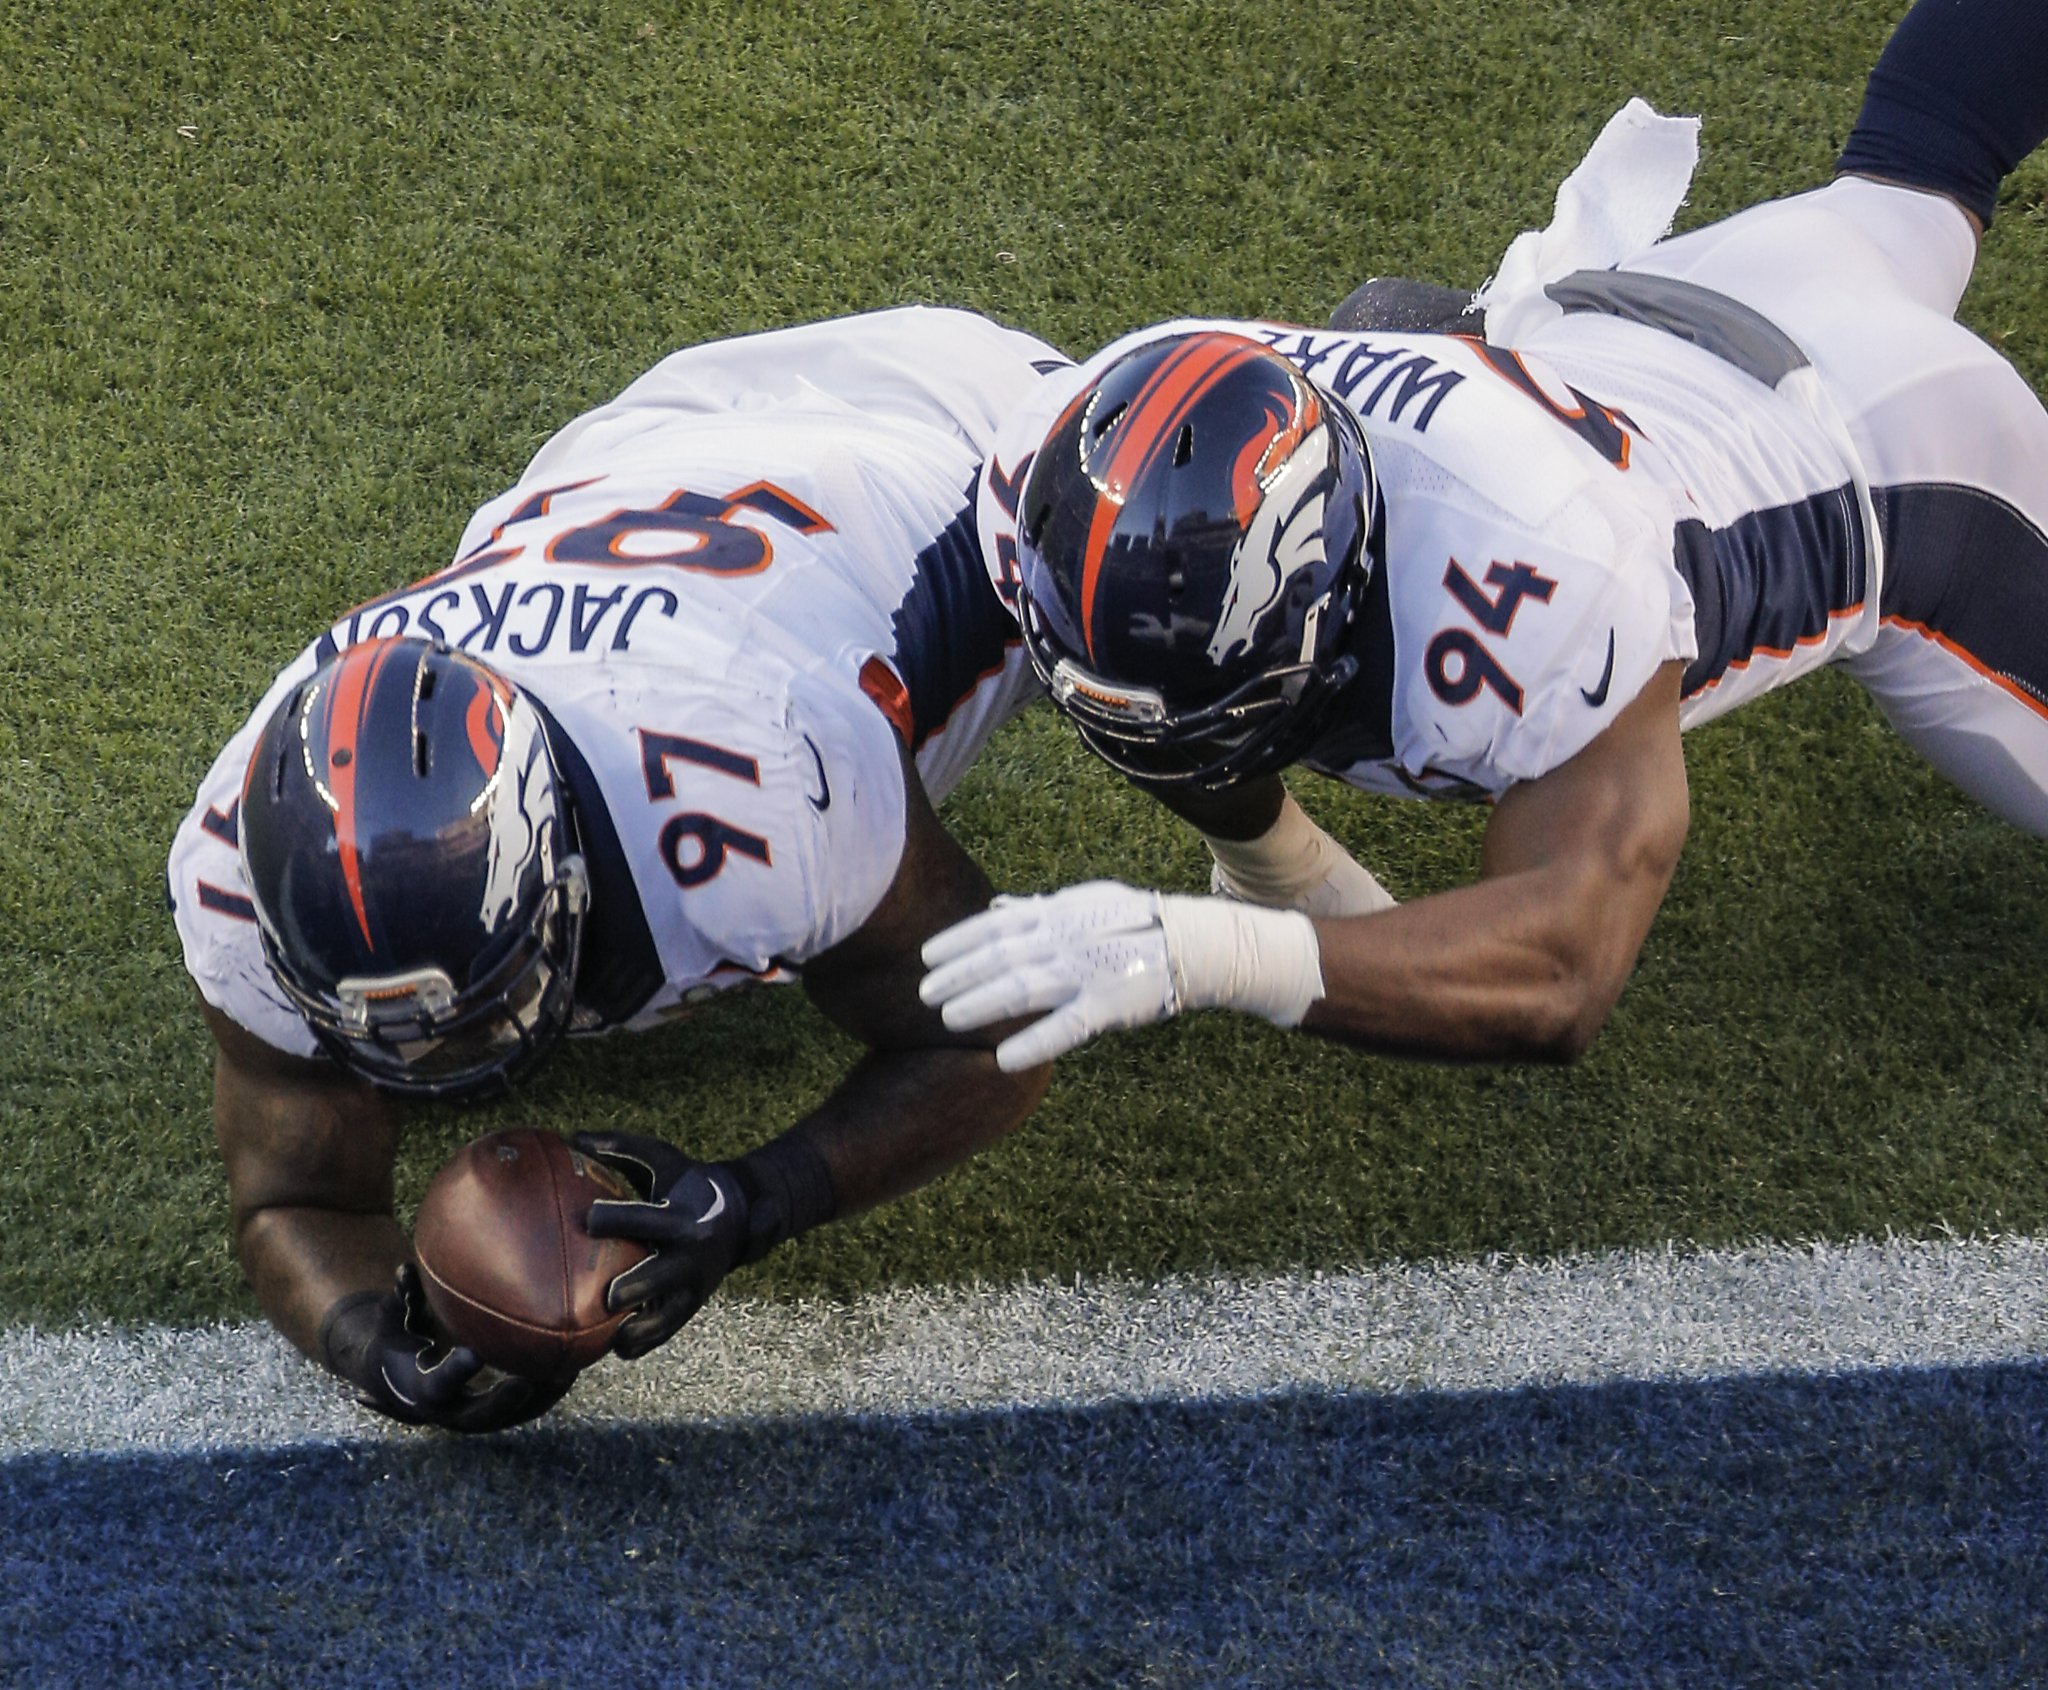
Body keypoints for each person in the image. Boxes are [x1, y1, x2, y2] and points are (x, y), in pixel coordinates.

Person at [920, 0, 2048, 1073]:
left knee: (1924, 170)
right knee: (1918, 165)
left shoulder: (1542, 577)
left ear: (1342, 582)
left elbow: (1560, 974)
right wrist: (1283, 873)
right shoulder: (1090, 437)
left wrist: (1207, 957)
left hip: (1895, 443)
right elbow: (1152, 689)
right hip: (1658, 304)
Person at [167, 306, 1071, 1431]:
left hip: (969, 446)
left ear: (566, 859)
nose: (452, 1064)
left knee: (1222, 617)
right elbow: (292, 1195)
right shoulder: (231, 869)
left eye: (474, 1010)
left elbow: (1003, 1025)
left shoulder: (740, 790)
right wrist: (373, 1348)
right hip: (646, 443)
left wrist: (756, 1198)